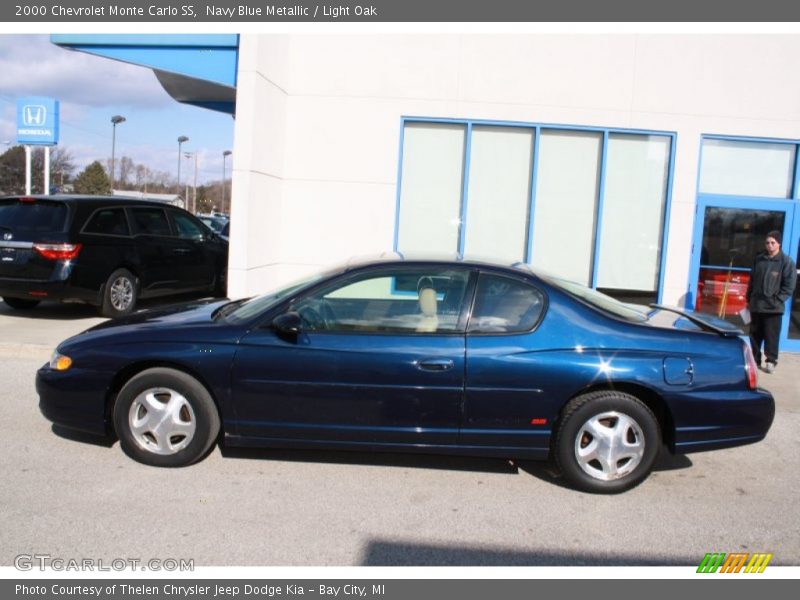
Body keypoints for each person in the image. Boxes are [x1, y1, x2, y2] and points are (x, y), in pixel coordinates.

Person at [746, 230, 797, 373]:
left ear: (779, 244)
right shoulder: (759, 260)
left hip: (773, 308)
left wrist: (777, 300)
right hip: (756, 306)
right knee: (754, 336)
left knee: (771, 336)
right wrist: (748, 299)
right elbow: (752, 281)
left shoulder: (786, 262)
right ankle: (755, 360)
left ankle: (771, 361)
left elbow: (789, 286)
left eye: (773, 242)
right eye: (767, 242)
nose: (769, 245)